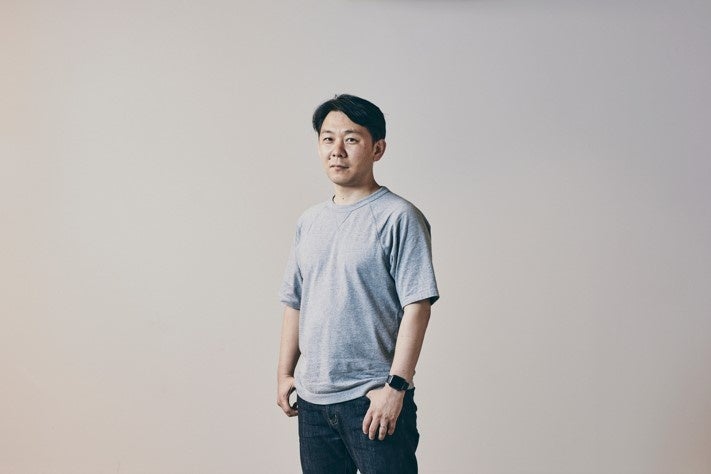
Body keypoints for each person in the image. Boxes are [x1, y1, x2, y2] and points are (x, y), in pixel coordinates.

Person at [276, 94, 439, 474]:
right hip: (313, 402)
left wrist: (396, 387)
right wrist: (284, 373)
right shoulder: (309, 221)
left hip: (372, 397)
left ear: (377, 148)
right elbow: (295, 301)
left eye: (351, 139)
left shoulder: (399, 217)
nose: (337, 150)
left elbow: (418, 307)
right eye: (327, 139)